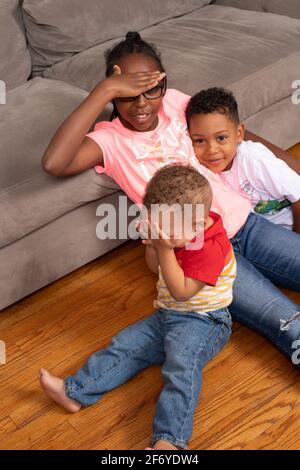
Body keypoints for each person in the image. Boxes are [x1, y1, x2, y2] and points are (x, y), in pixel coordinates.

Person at [41, 31, 300, 366]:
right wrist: (104, 89)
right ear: (114, 95)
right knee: (288, 321)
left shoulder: (176, 103)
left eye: (152, 89)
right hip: (197, 255)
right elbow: (54, 163)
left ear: (163, 84)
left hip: (244, 223)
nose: (142, 103)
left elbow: (240, 135)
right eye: (127, 94)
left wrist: (295, 169)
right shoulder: (108, 141)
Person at [40, 164, 236, 450]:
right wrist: (155, 247)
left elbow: (181, 291)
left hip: (205, 321)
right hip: (169, 314)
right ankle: (76, 391)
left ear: (195, 226)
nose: (160, 231)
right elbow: (155, 269)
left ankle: (170, 441)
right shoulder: (177, 230)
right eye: (155, 223)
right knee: (125, 345)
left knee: (180, 367)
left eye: (165, 228)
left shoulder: (210, 246)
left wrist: (166, 248)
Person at [185, 87, 300, 232]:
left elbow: (298, 196)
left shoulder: (254, 159)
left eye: (221, 138)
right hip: (261, 235)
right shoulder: (204, 171)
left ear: (239, 133)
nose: (212, 150)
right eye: (200, 140)